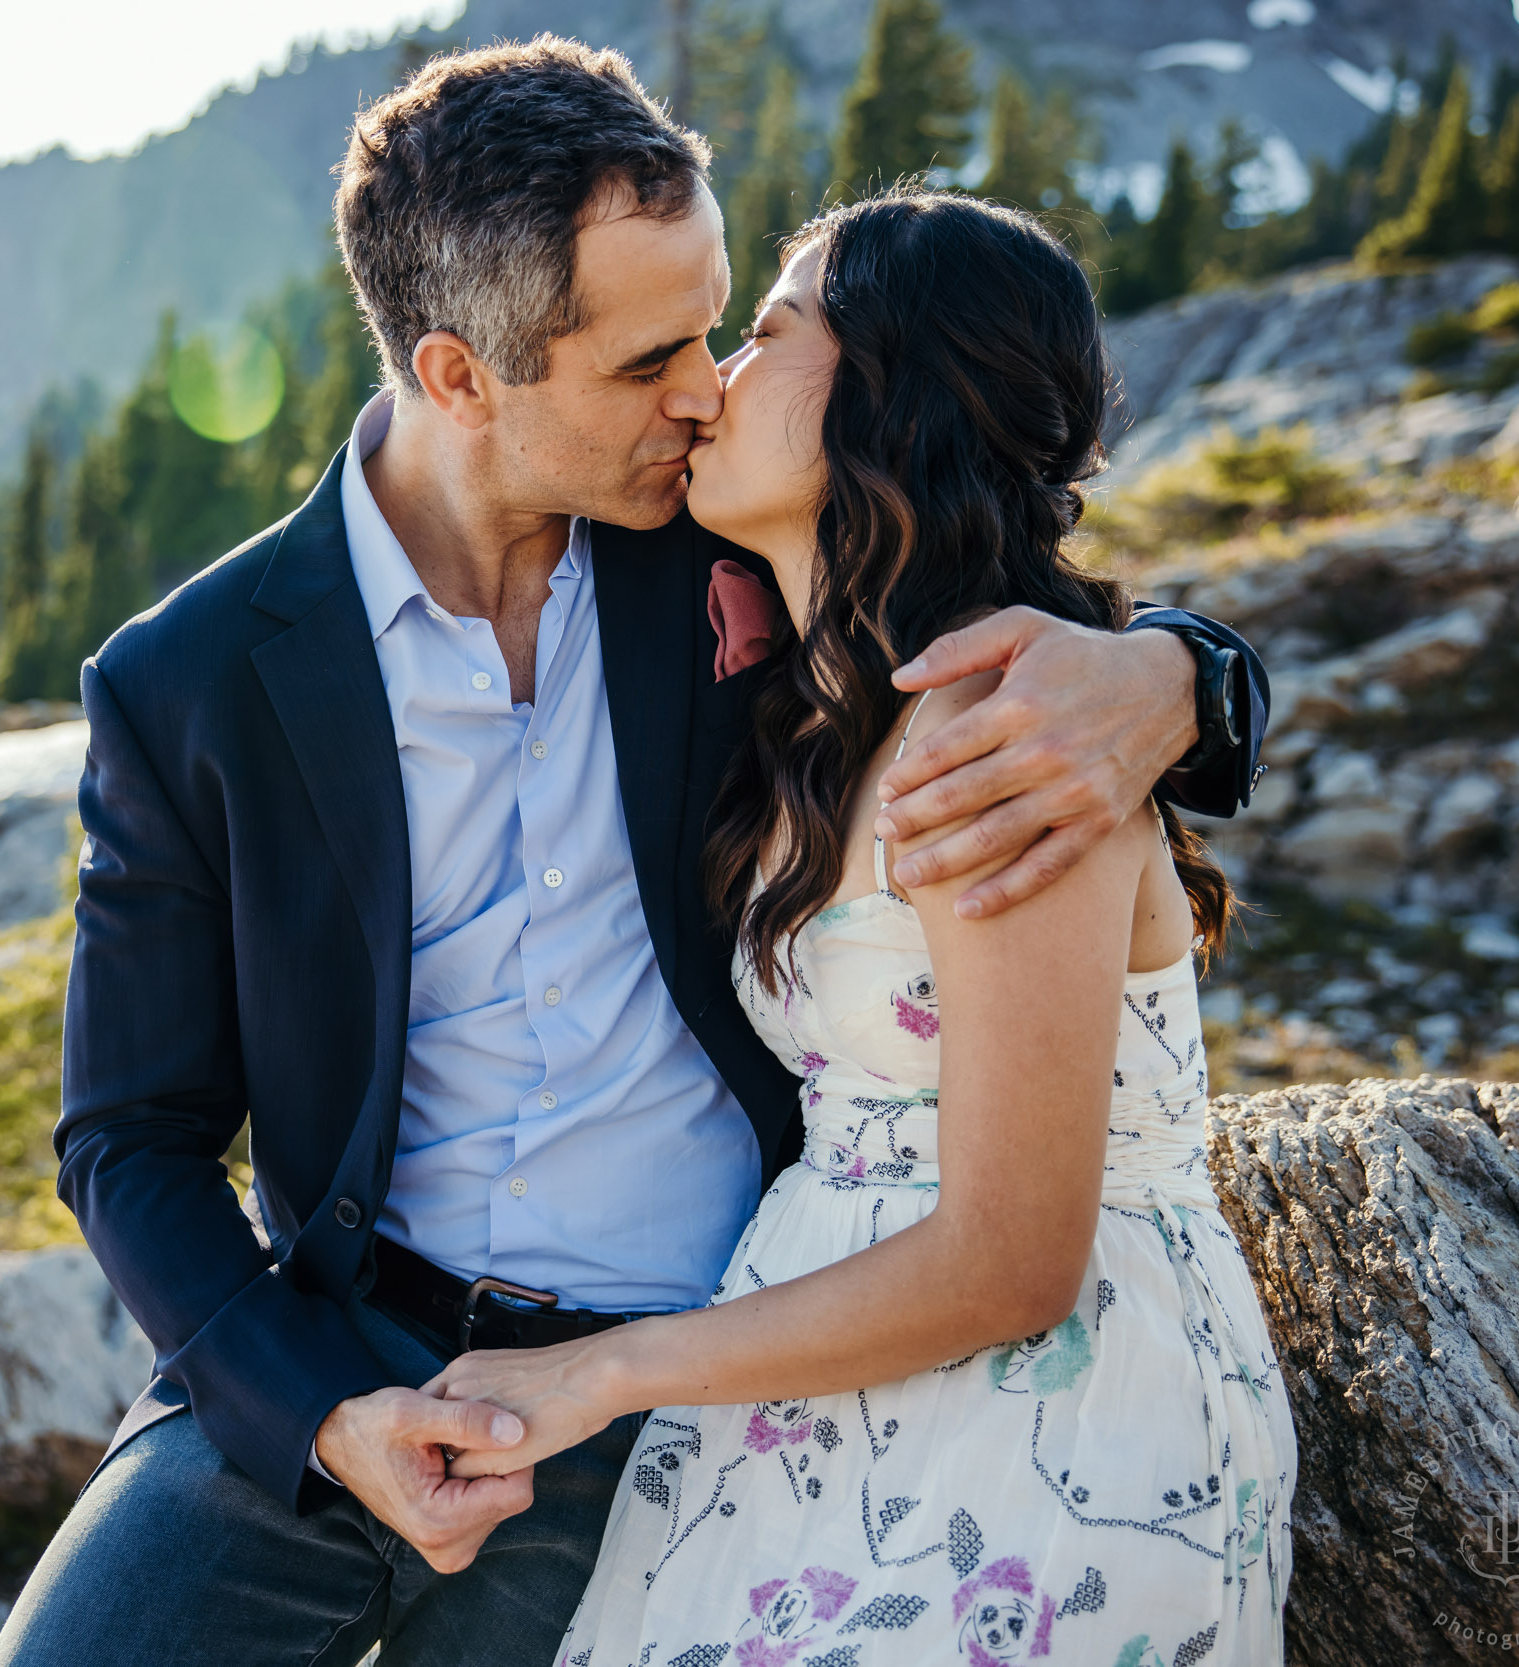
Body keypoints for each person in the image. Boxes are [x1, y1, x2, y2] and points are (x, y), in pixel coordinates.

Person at [0, 38, 1268, 1667]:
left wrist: (1178, 677)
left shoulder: (716, 548)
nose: (706, 387)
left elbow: (974, 566)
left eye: (724, 321)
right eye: (653, 352)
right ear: (462, 377)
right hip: (337, 1353)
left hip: (677, 1372)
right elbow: (128, 1136)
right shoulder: (189, 679)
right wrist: (321, 1416)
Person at [426, 187, 1298, 1667]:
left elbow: (1015, 1258)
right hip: (816, 1387)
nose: (710, 385)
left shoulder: (1013, 727)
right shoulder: (825, 713)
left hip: (1040, 1416)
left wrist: (606, 1374)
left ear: (894, 391)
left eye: (766, 334)